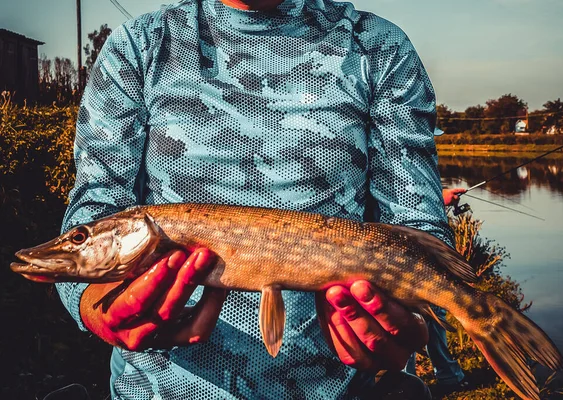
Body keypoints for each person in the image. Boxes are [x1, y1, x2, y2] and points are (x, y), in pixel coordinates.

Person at [56, 0, 456, 398]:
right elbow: (99, 208)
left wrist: (409, 326)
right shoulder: (141, 45)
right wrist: (95, 305)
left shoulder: (377, 47)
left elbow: (416, 232)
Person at [404, 187, 469, 393]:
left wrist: (439, 195)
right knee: (409, 316)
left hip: (419, 247)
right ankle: (407, 383)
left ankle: (447, 377)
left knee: (432, 315)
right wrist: (438, 196)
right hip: (407, 248)